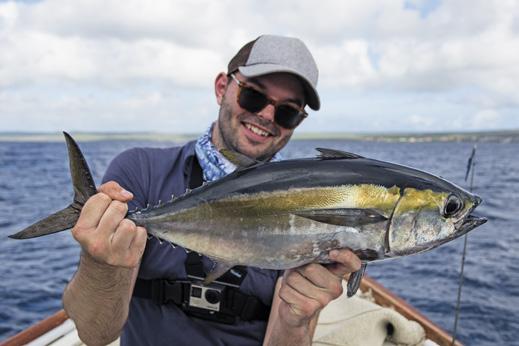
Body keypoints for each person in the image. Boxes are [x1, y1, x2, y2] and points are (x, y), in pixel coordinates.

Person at [62, 34, 362, 346]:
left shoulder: (311, 209)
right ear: (222, 88)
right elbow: (96, 335)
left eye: (287, 112)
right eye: (254, 97)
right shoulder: (140, 171)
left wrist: (295, 320)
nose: (267, 116)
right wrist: (100, 263)